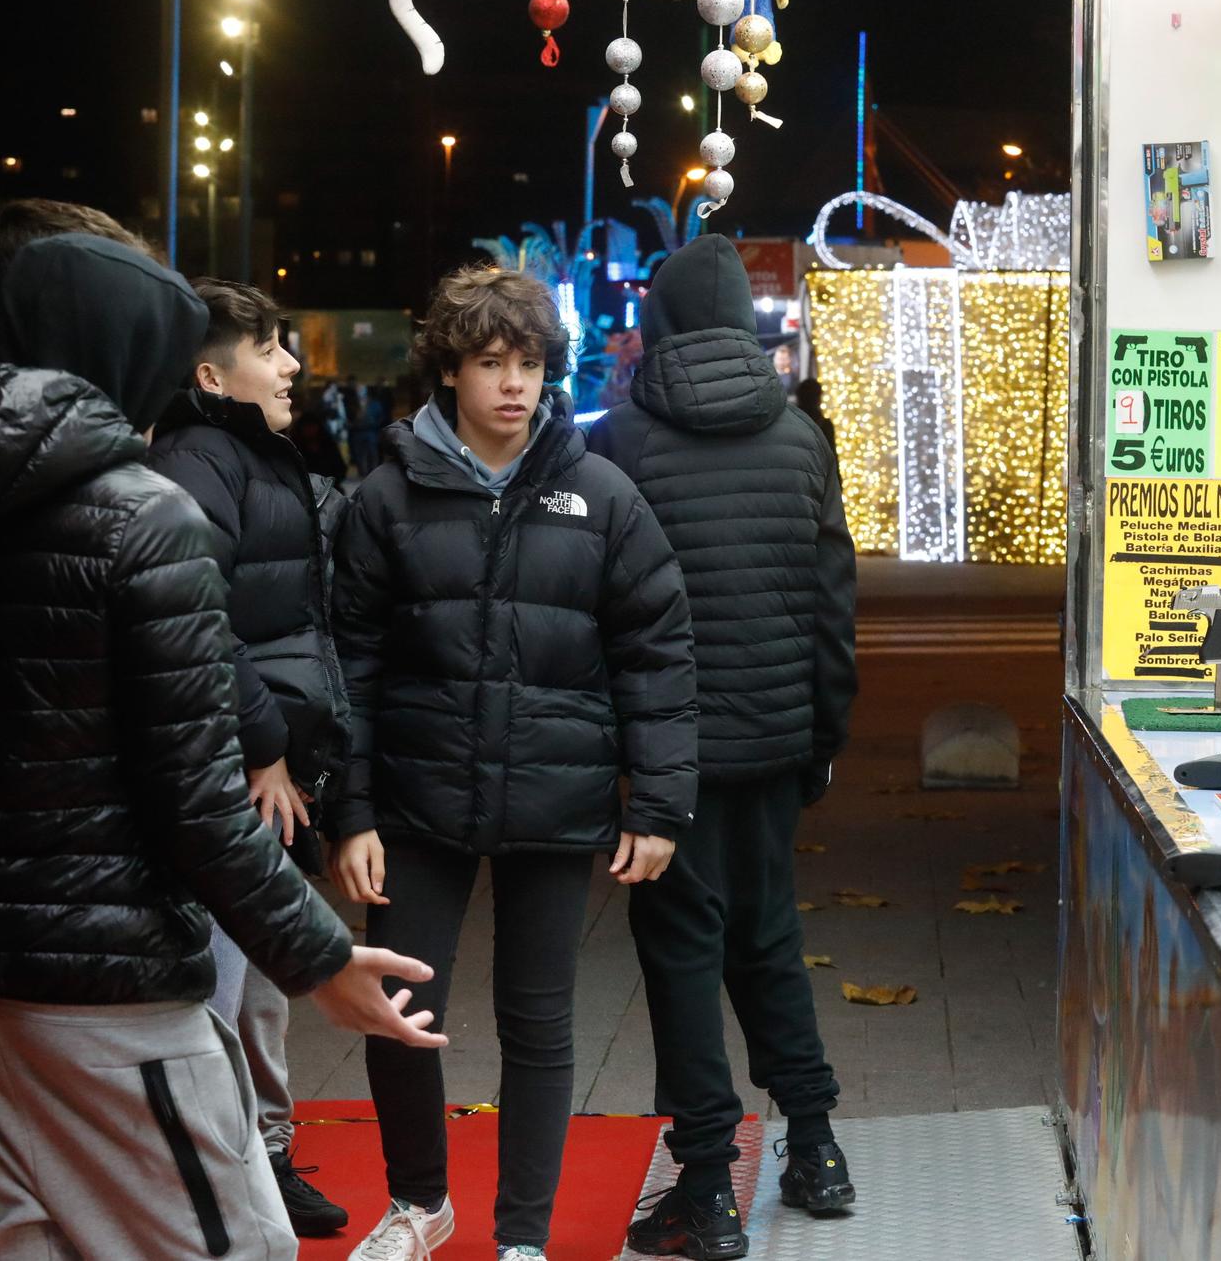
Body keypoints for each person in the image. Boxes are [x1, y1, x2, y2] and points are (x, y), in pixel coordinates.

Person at [0, 208, 445, 1259]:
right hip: (111, 991)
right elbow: (196, 799)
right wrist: (321, 957)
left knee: (5, 1242)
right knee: (230, 1244)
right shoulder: (143, 518)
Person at [328, 264, 698, 1261]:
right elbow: (347, 665)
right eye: (489, 362)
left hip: (557, 793)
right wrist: (349, 811)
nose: (511, 384)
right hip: (411, 796)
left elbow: (655, 651)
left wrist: (657, 801)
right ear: (448, 370)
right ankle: (417, 1202)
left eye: (528, 363)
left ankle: (523, 1238)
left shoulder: (601, 493)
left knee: (540, 1022)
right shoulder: (384, 498)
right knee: (399, 1008)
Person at [587, 235, 860, 1259]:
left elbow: (600, 611)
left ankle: (705, 1185)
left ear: (656, 324)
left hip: (671, 755)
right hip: (776, 743)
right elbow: (834, 604)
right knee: (769, 937)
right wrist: (821, 734)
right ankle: (817, 1146)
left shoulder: (619, 440)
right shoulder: (799, 437)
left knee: (680, 953)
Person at [148, 277, 355, 1239]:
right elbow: (198, 616)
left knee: (263, 980)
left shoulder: (250, 452)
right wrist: (265, 741)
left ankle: (262, 1157)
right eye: (269, 347)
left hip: (273, 763)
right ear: (207, 372)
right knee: (232, 983)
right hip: (237, 770)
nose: (291, 364)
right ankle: (228, 1176)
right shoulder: (201, 459)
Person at [792, 376, 839, 468]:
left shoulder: (790, 423)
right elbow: (832, 458)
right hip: (818, 475)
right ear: (818, 398)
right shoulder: (825, 425)